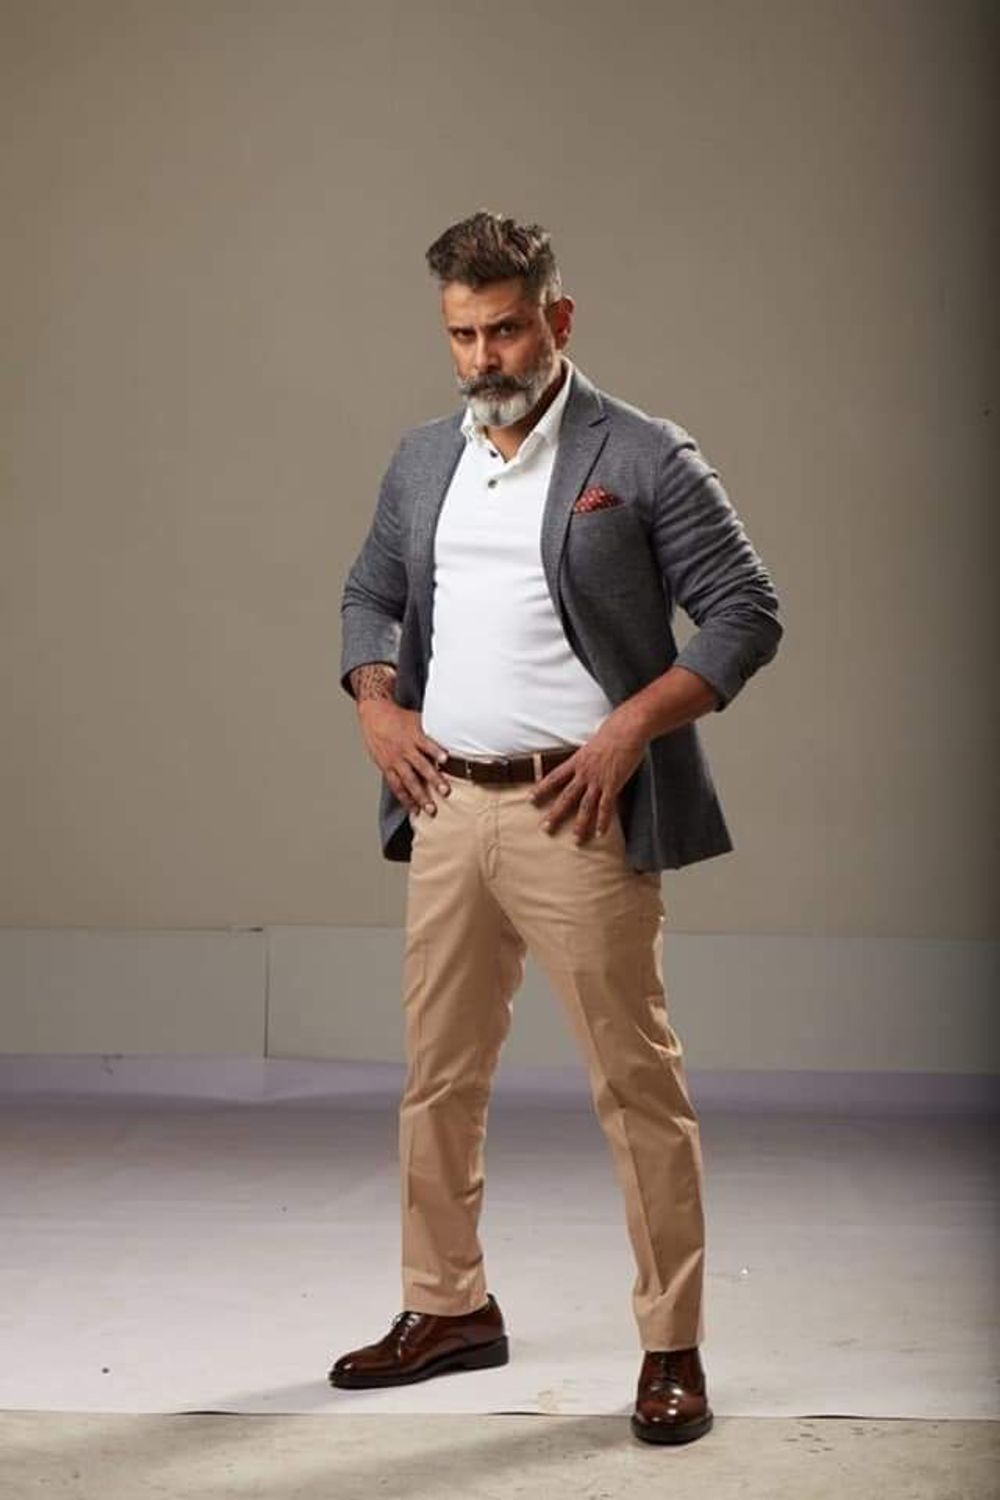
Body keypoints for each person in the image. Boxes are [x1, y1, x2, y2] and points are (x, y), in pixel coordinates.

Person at [328, 211, 782, 1446]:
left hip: (574, 811)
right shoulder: (422, 460)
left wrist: (630, 727)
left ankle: (672, 1346)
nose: (484, 358)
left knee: (636, 1086)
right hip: (447, 806)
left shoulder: (641, 453)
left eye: (506, 329)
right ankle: (448, 1308)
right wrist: (376, 702)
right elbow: (370, 593)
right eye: (462, 336)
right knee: (438, 1078)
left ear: (557, 320)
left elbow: (745, 612)